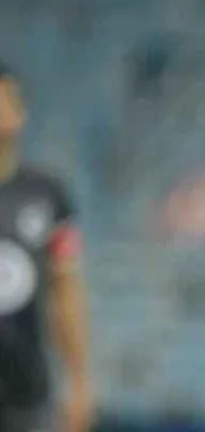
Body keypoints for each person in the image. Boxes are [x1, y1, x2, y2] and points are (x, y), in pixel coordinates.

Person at [0, 64, 94, 432]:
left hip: (27, 393)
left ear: (20, 114)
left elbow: (66, 290)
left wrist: (79, 380)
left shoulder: (48, 194)